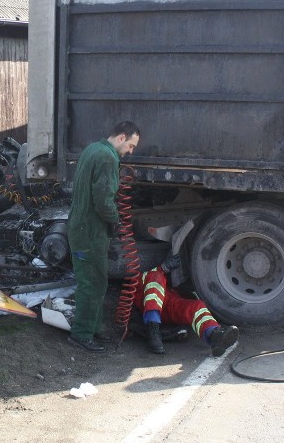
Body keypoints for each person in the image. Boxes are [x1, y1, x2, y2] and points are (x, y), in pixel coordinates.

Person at [67, 121, 140, 352]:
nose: (130, 152)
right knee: (92, 283)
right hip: (90, 232)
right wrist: (115, 220)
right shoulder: (108, 158)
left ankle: (93, 329)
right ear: (121, 137)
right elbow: (103, 200)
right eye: (130, 145)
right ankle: (82, 334)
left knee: (95, 281)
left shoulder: (92, 149)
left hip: (81, 228)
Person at [136, 264, 239, 357]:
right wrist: (163, 267)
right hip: (149, 304)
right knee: (155, 277)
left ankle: (214, 336)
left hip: (170, 303)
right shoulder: (144, 274)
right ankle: (153, 330)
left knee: (197, 306)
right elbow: (144, 279)